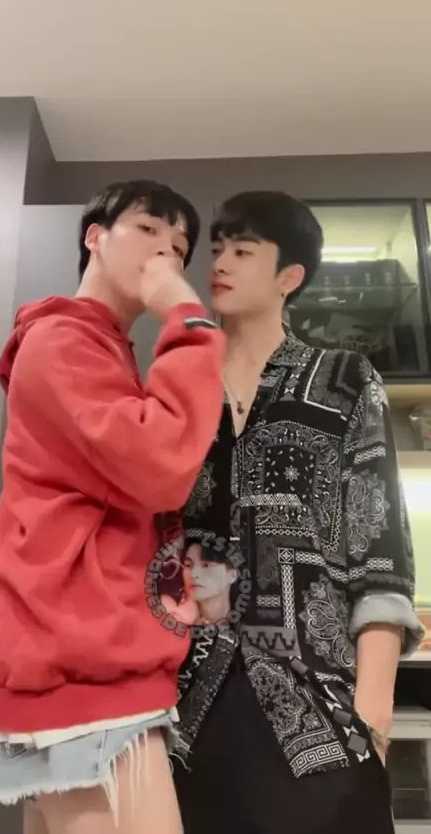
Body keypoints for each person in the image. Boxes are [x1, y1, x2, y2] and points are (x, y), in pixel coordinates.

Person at [0, 179, 225, 834]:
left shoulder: (97, 349)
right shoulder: (63, 341)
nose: (166, 253)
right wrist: (189, 319)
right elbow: (162, 465)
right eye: (148, 230)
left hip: (71, 665)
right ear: (95, 237)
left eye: (179, 247)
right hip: (81, 674)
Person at [172, 191, 424, 834]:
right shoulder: (177, 386)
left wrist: (373, 709)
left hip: (318, 700)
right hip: (186, 706)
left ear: (290, 276)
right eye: (217, 248)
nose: (219, 262)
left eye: (242, 250)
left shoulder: (343, 378)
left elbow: (379, 549)